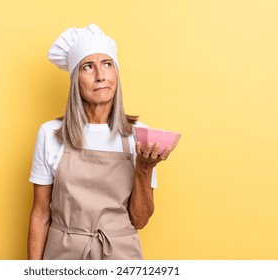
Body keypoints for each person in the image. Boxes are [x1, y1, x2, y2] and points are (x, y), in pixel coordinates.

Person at [27, 24, 172, 260]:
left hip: (120, 256)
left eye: (107, 64)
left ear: (116, 73)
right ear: (75, 79)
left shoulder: (140, 135)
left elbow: (140, 220)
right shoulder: (50, 133)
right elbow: (41, 214)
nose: (100, 76)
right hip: (63, 256)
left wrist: (144, 169)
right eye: (88, 67)